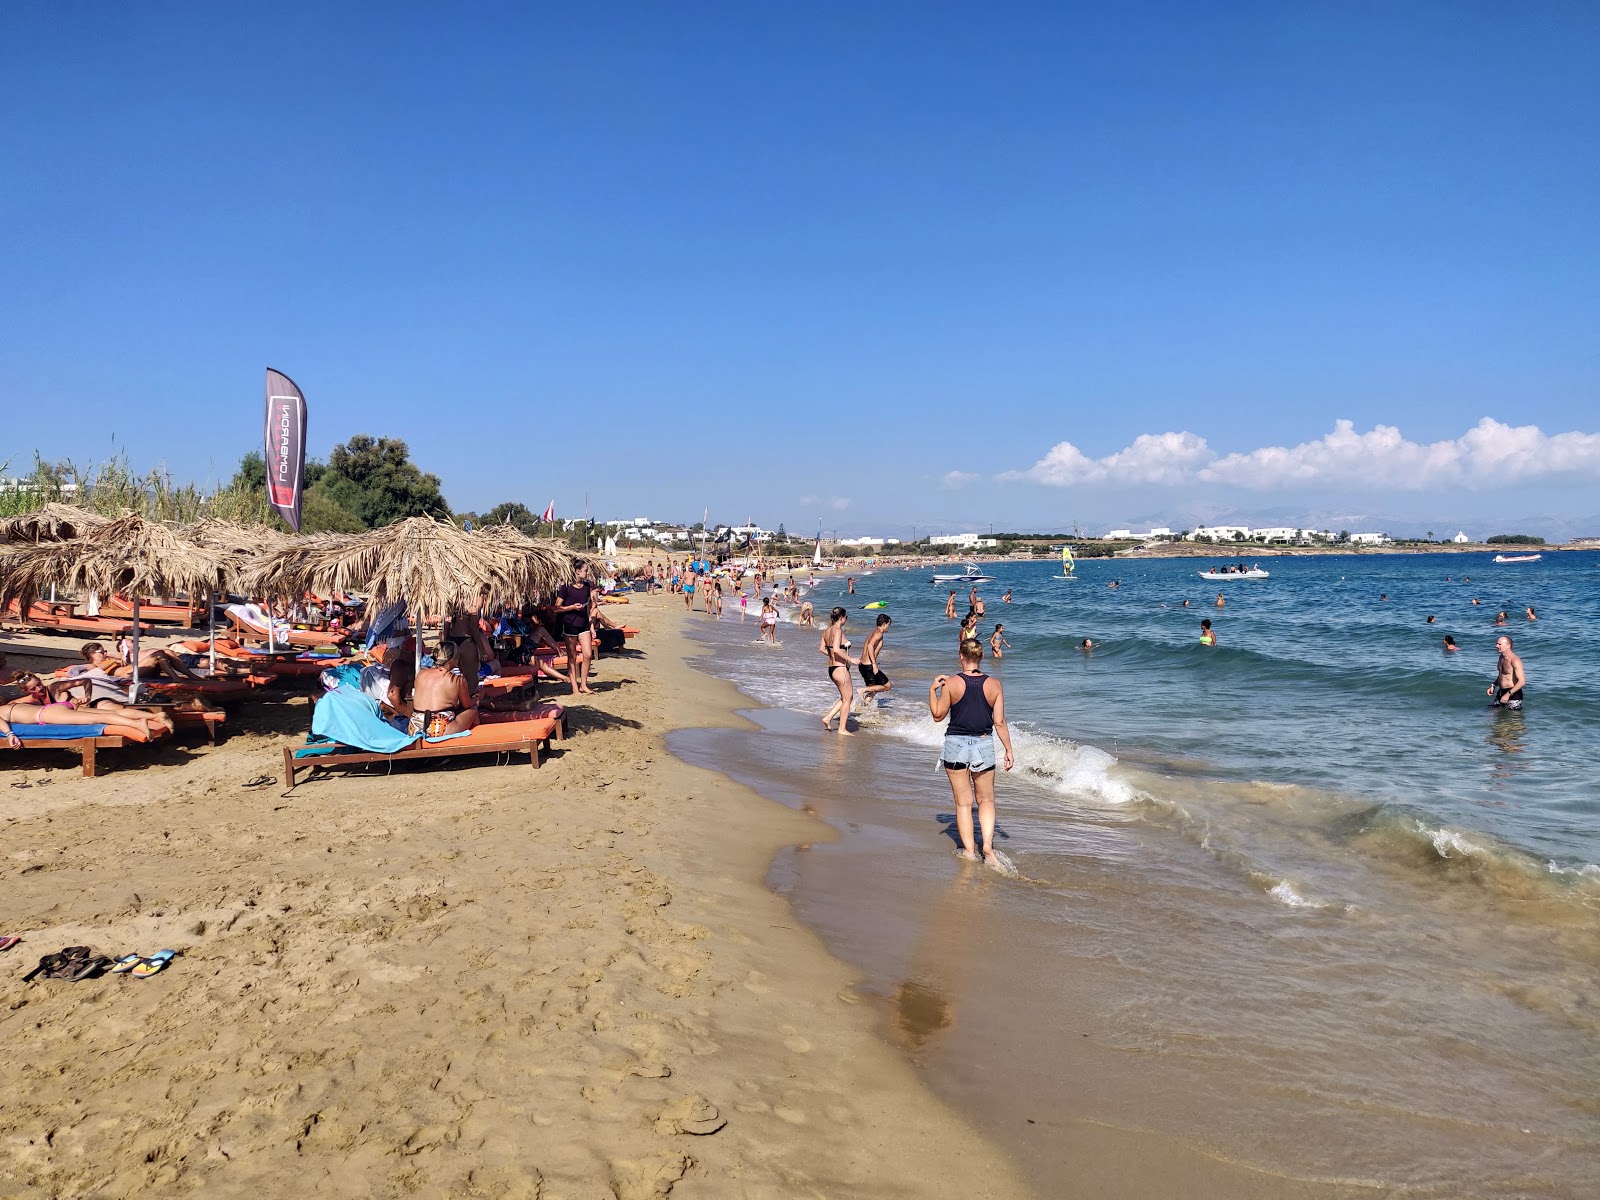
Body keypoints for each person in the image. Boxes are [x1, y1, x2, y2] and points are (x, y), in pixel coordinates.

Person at [928, 639, 1014, 866]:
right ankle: (987, 845)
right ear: (982, 657)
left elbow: (937, 716)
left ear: (960, 655)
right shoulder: (995, 684)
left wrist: (932, 690)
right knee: (986, 800)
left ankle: (968, 851)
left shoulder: (951, 684)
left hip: (955, 745)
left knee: (964, 803)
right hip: (984, 744)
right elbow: (1000, 722)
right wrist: (1008, 749)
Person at [409, 640, 479, 736]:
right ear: (452, 659)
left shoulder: (420, 674)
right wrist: (477, 698)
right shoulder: (456, 679)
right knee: (473, 710)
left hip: (415, 727)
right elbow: (467, 705)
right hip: (439, 728)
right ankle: (477, 741)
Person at [555, 564, 597, 695]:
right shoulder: (565, 587)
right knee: (572, 657)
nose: (587, 573)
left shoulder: (587, 586)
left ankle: (583, 684)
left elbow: (589, 607)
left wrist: (591, 626)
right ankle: (574, 687)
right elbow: (557, 608)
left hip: (583, 624)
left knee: (588, 655)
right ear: (578, 572)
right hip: (569, 624)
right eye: (585, 570)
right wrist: (572, 607)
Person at [820, 607, 858, 734]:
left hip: (831, 669)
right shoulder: (837, 631)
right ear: (841, 618)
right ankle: (842, 729)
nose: (846, 619)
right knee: (848, 698)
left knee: (845, 697)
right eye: (846, 617)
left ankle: (828, 717)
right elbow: (836, 649)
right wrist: (850, 659)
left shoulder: (826, 631)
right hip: (840, 669)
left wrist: (833, 657)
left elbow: (822, 649)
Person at [858, 613, 892, 699]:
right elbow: (870, 646)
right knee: (887, 686)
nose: (889, 627)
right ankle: (862, 690)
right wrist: (874, 664)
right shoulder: (878, 634)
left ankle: (864, 707)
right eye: (888, 624)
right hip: (869, 666)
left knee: (873, 690)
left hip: (863, 666)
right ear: (884, 624)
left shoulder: (873, 633)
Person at [1488, 635, 1525, 710]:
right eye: (1496, 644)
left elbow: (1522, 681)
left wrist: (1508, 694)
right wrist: (1494, 685)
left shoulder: (1515, 660)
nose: (1496, 646)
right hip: (1501, 691)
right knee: (1493, 715)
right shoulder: (1501, 657)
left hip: (1513, 693)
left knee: (1513, 719)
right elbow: (1502, 674)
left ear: (1508, 646)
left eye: (1499, 644)